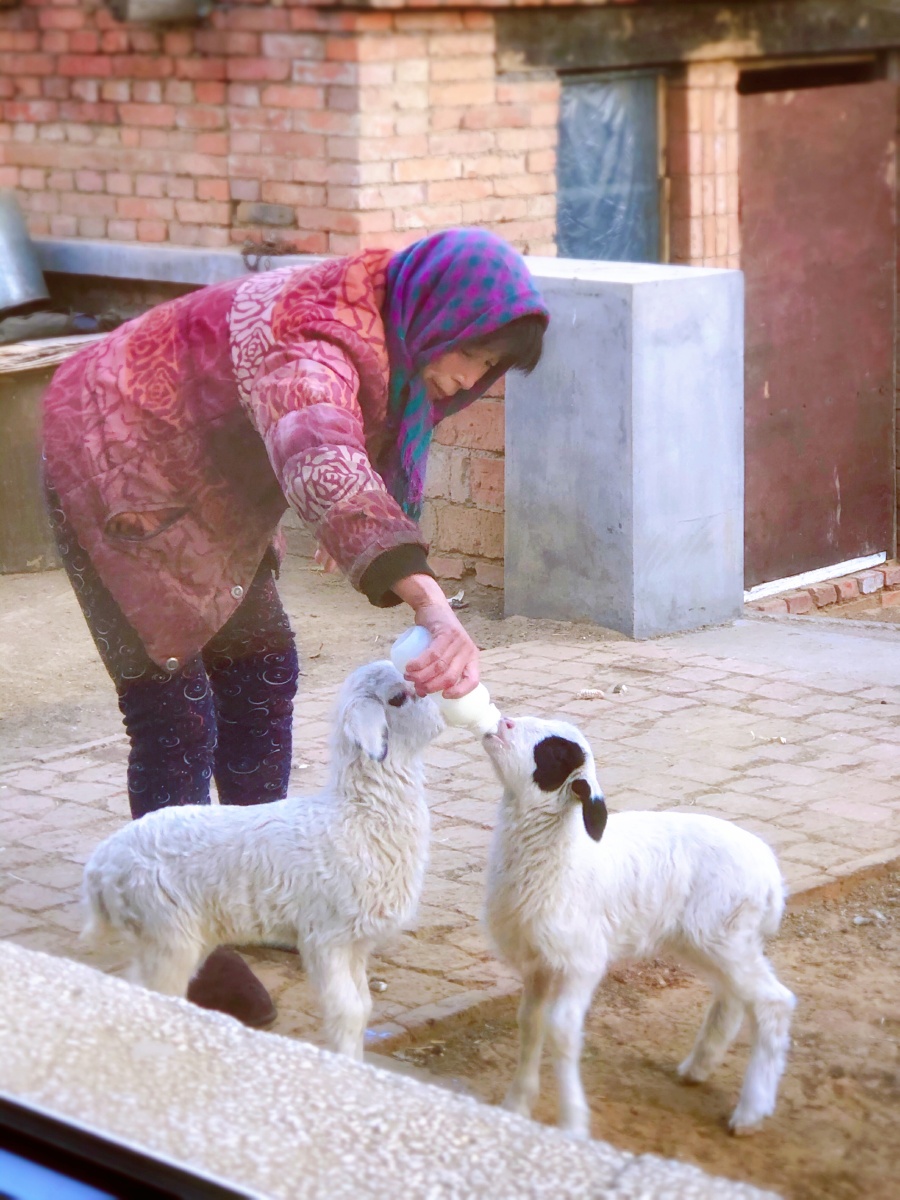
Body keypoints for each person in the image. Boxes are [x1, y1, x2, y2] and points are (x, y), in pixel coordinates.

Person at [42, 227, 549, 1025]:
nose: (467, 378)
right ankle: (187, 933)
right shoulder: (317, 337)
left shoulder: (390, 310)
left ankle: (259, 883)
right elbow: (321, 456)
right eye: (472, 354)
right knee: (176, 714)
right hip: (115, 470)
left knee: (264, 671)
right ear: (438, 315)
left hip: (212, 493)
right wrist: (432, 604)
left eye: (487, 368)